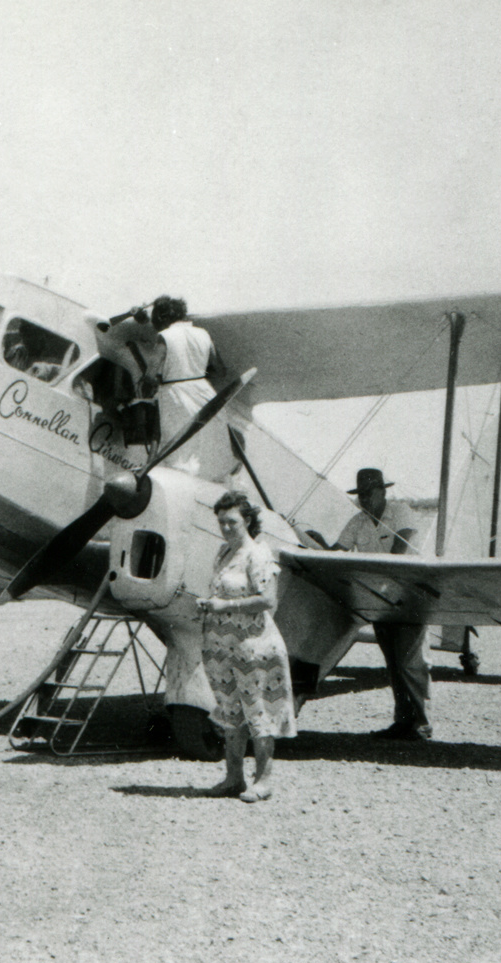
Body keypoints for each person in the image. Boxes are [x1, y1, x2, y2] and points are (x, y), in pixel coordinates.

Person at [195, 491, 298, 802]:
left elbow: (268, 600)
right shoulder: (223, 553)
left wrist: (223, 605)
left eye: (232, 522)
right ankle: (233, 777)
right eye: (221, 522)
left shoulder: (260, 554)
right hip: (223, 647)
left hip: (254, 647)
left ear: (248, 520)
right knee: (231, 712)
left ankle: (263, 781)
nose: (225, 527)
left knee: (260, 712)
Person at [332, 468, 432, 741]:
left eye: (368, 493)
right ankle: (403, 721)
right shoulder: (358, 522)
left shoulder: (401, 512)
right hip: (379, 600)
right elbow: (335, 552)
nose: (363, 499)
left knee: (408, 661)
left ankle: (421, 723)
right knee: (392, 662)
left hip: (409, 598)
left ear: (382, 491)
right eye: (360, 495)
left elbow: (399, 551)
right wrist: (311, 541)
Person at [150, 295, 229, 474]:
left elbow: (149, 374)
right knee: (199, 455)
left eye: (154, 318)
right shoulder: (204, 334)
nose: (153, 323)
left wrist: (153, 382)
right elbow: (220, 370)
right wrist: (196, 375)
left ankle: (150, 463)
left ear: (163, 317)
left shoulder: (164, 336)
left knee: (173, 454)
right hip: (205, 395)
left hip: (175, 396)